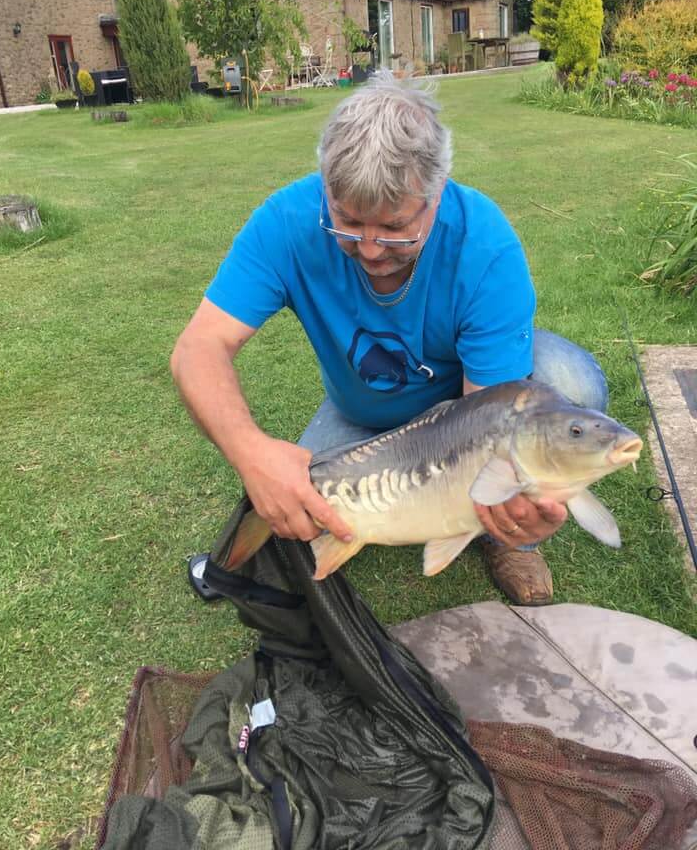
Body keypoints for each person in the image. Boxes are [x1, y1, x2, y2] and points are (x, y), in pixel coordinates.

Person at [171, 71, 608, 606]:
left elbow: (486, 422)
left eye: (396, 228)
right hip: (363, 414)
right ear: (325, 188)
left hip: (462, 414)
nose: (372, 249)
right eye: (349, 224)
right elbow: (198, 350)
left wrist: (507, 495)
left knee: (568, 386)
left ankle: (503, 540)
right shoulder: (286, 221)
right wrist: (251, 452)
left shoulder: (484, 245)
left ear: (437, 192)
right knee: (299, 510)